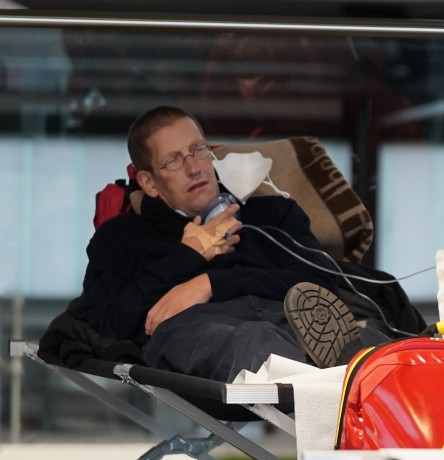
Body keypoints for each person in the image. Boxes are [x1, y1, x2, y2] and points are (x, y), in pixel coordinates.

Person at [72, 105, 374, 381]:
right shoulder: (120, 236)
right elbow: (105, 324)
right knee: (255, 343)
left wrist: (211, 283)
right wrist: (186, 256)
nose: (194, 168)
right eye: (173, 161)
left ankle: (366, 369)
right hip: (203, 334)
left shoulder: (272, 212)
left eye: (198, 150)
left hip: (290, 321)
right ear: (149, 183)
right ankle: (328, 384)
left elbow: (323, 282)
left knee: (377, 348)